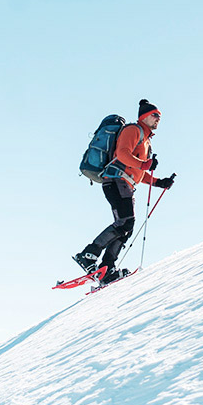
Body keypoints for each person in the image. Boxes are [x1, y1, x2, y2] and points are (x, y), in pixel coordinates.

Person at [73, 99, 176, 284]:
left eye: (160, 116)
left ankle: (107, 270)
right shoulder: (133, 130)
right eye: (155, 115)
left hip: (126, 184)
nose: (158, 119)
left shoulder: (146, 142)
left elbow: (138, 172)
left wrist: (159, 182)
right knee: (124, 223)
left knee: (126, 228)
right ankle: (88, 254)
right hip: (115, 181)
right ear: (144, 117)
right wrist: (145, 163)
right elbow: (122, 154)